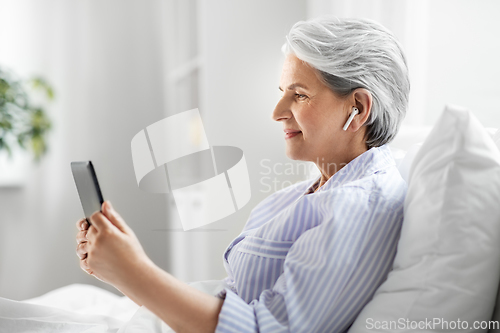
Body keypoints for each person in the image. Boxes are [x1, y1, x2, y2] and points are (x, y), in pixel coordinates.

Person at [76, 17, 410, 332]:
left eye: (300, 95)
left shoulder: (358, 206)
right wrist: (120, 267)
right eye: (282, 92)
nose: (277, 112)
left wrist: (135, 273)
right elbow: (230, 298)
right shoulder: (313, 191)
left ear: (359, 108)